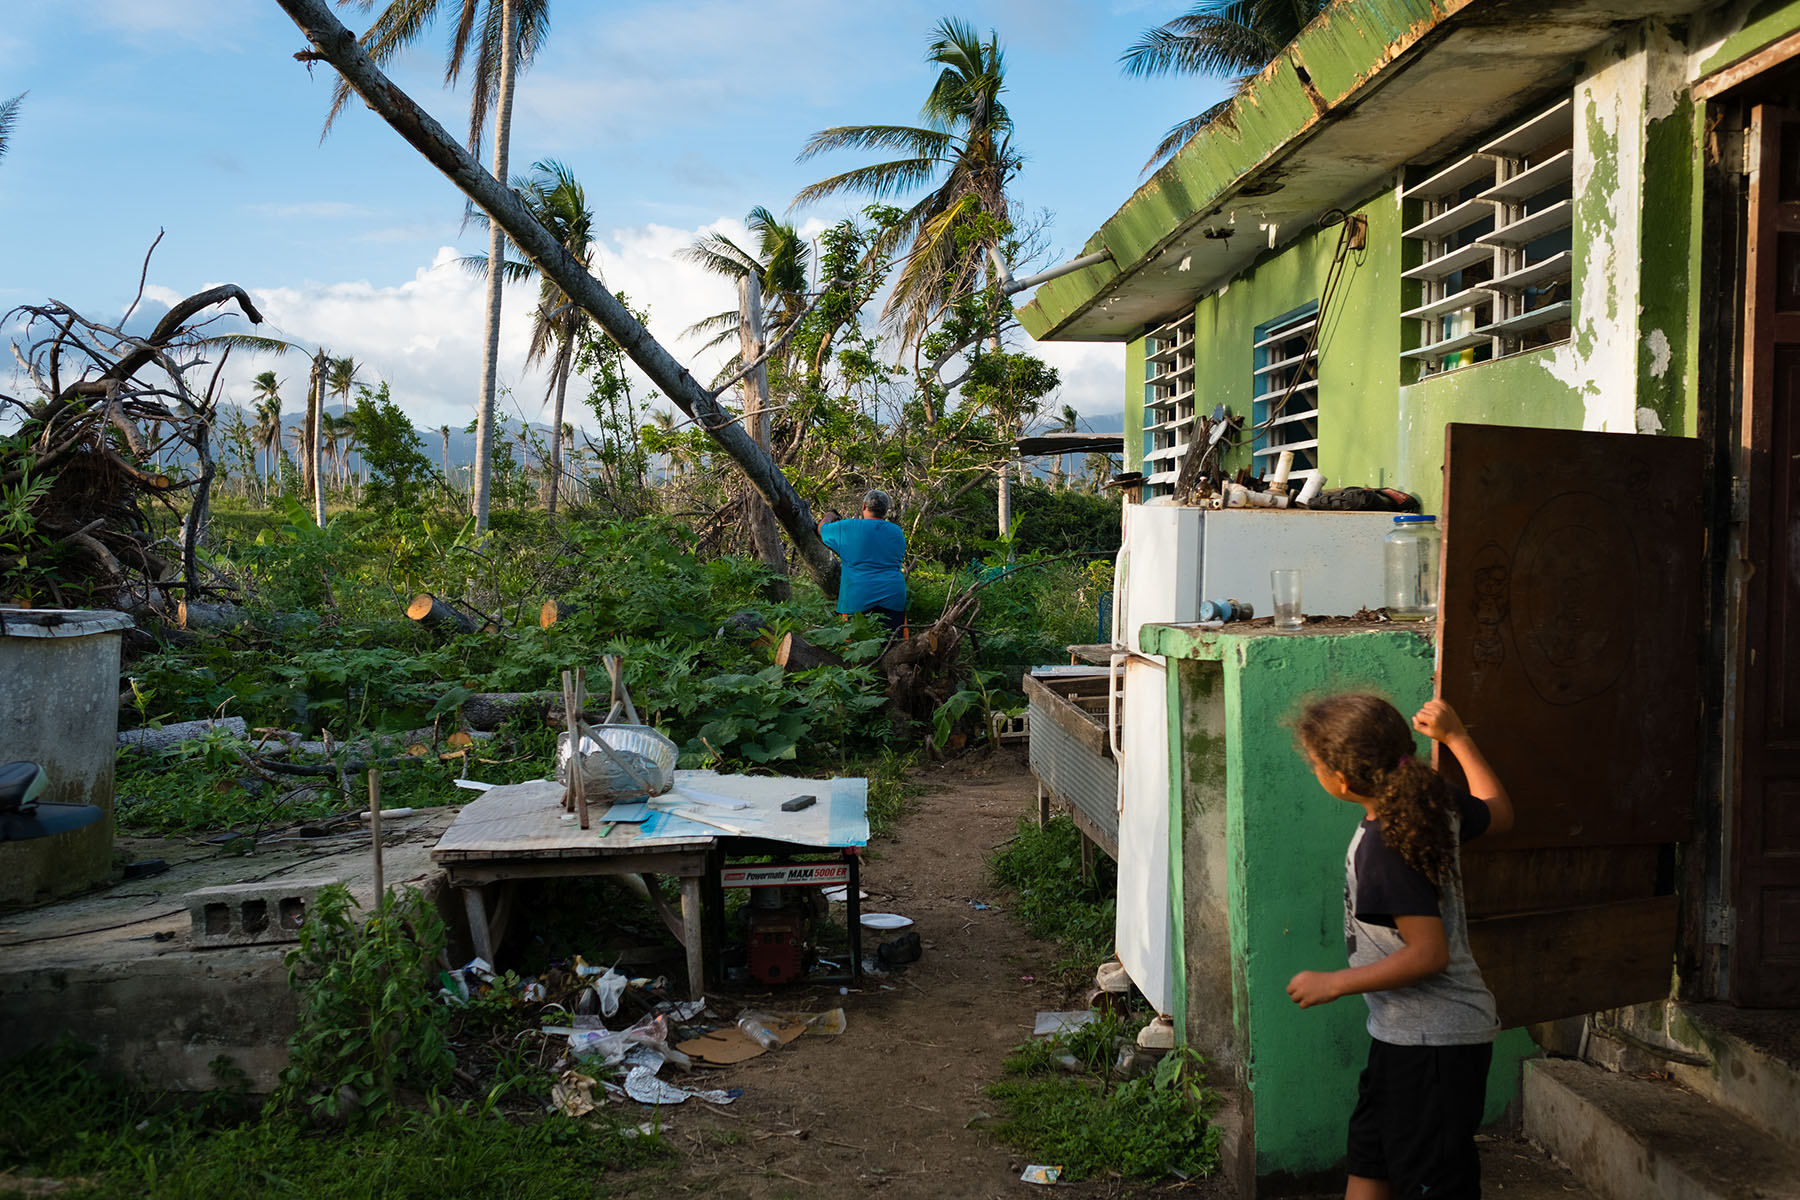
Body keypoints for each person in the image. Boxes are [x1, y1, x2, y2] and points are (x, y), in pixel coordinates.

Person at [1286, 694, 1514, 1200]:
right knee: (1372, 1157)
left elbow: (1428, 953)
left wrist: (1335, 983)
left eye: (1316, 763)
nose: (1314, 770)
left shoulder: (1386, 847)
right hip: (1401, 1035)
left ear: (1342, 781)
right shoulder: (1429, 797)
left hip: (1435, 1043)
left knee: (1430, 1178)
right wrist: (1458, 738)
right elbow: (1500, 814)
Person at [818, 489, 907, 633]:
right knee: (892, 645)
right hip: (893, 596)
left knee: (856, 648)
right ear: (885, 511)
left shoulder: (849, 527)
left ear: (864, 506)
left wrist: (829, 515)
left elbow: (821, 531)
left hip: (857, 598)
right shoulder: (897, 532)